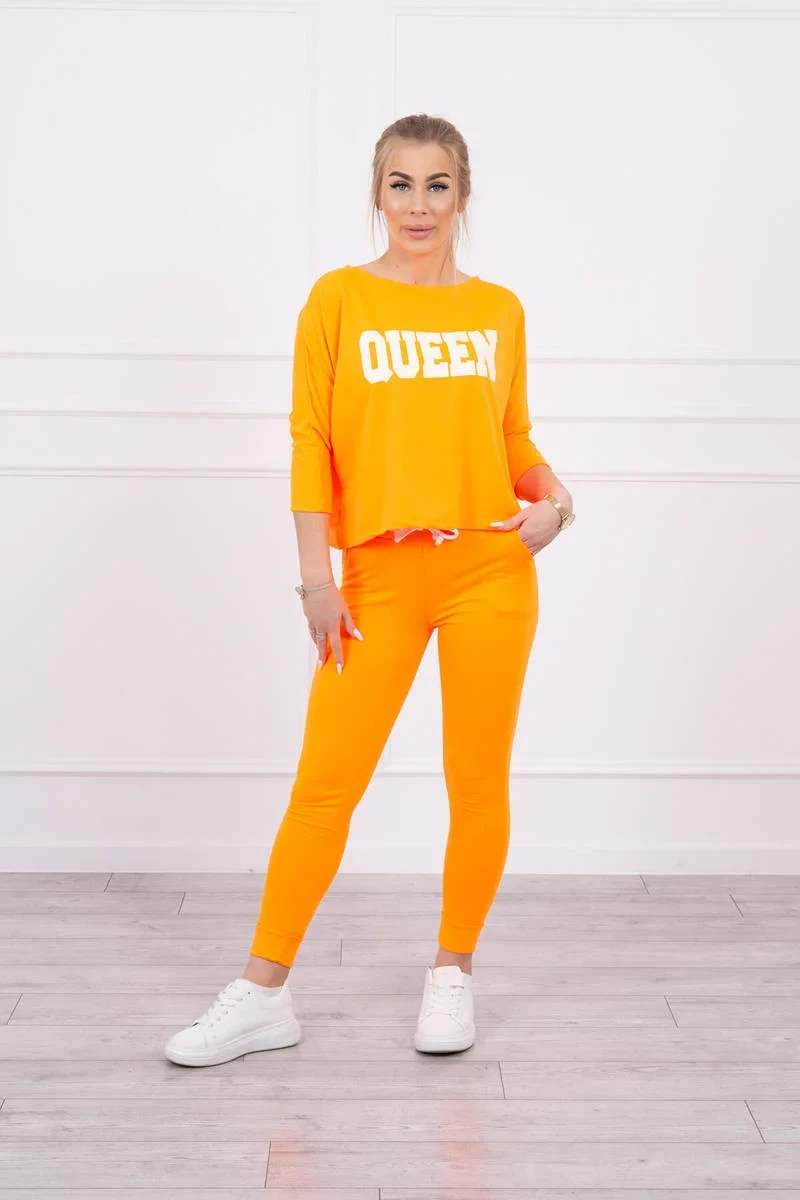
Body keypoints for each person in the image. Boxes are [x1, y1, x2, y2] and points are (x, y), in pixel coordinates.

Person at [164, 113, 575, 1068]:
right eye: (401, 184)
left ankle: (453, 972)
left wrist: (558, 501)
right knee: (325, 785)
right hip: (377, 576)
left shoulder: (499, 310)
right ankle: (263, 993)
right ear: (377, 194)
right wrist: (317, 577)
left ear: (462, 196)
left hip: (489, 569)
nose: (418, 205)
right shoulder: (338, 299)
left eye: (437, 185)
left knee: (477, 782)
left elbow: (510, 436)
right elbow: (311, 439)